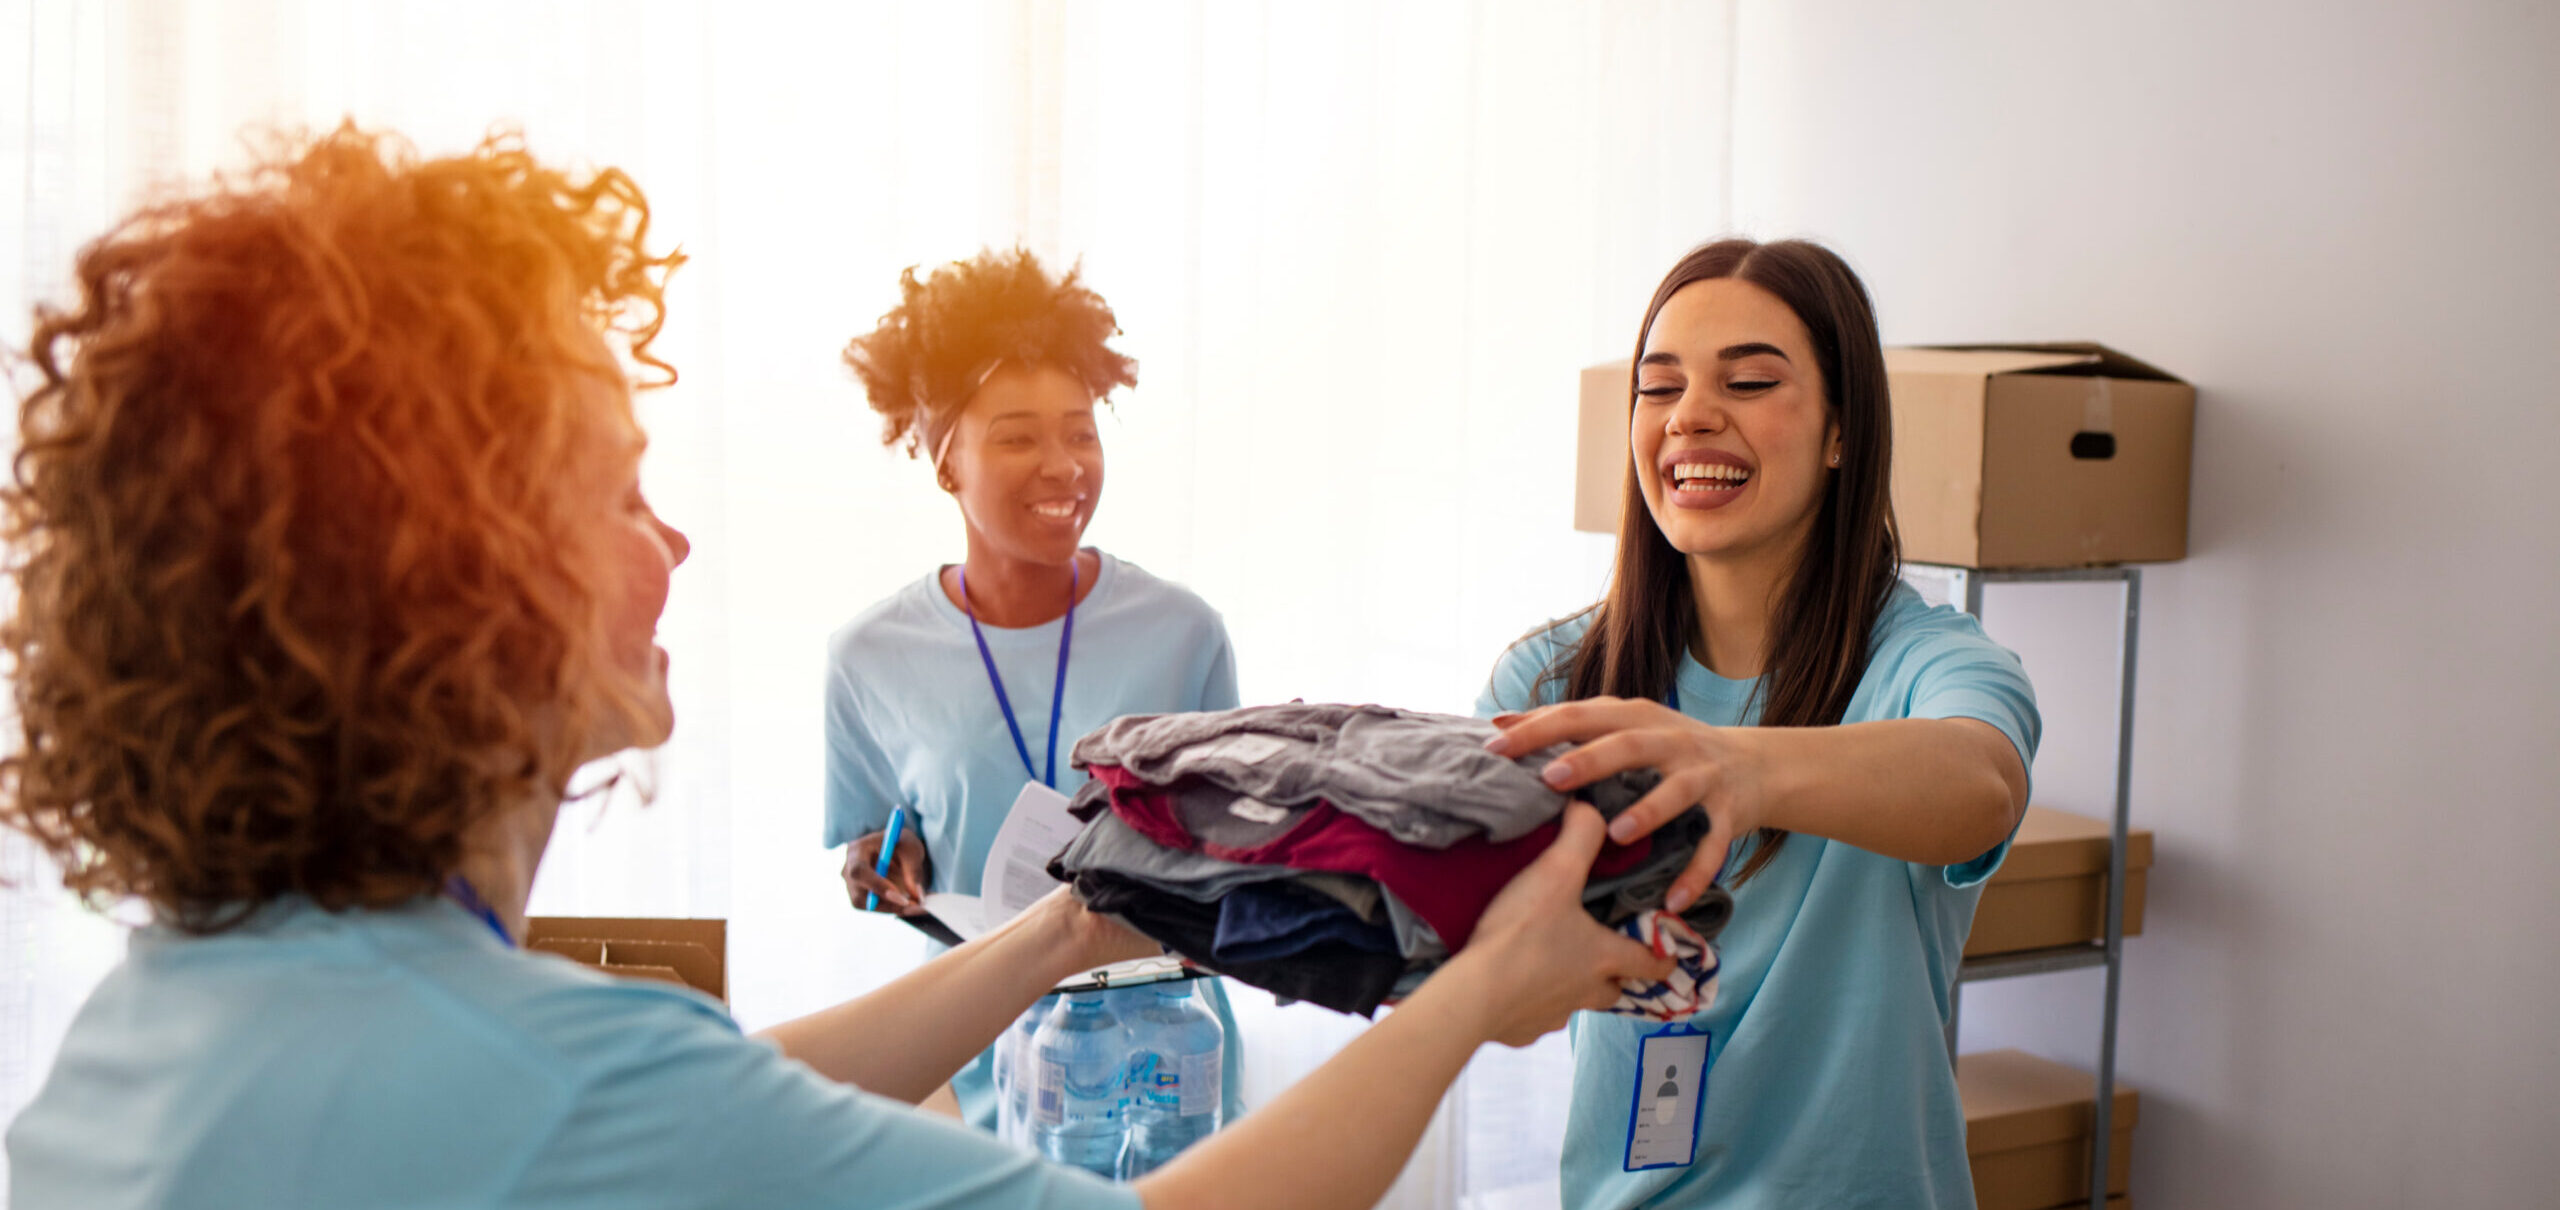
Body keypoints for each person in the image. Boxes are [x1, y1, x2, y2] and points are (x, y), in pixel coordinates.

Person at [0, 126, 1673, 1210]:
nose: (674, 544)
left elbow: (718, 1102)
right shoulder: (554, 1082)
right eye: (619, 488)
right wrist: (1479, 994)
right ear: (449, 572)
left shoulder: (160, 1026)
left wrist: (1071, 923)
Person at [1476, 238, 2042, 1208]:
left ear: (1840, 432)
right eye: (1658, 390)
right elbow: (1494, 962)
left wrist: (1732, 766)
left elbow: (1979, 784)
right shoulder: (1551, 679)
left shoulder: (1930, 662)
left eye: (1746, 380)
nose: (1691, 415)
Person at [829, 248, 1242, 1130]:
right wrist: (876, 871)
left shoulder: (1185, 633)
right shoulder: (868, 655)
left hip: (1166, 1065)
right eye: (1017, 436)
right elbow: (867, 854)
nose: (1063, 465)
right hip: (979, 1056)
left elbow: (1232, 855)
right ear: (947, 463)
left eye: (1081, 431)